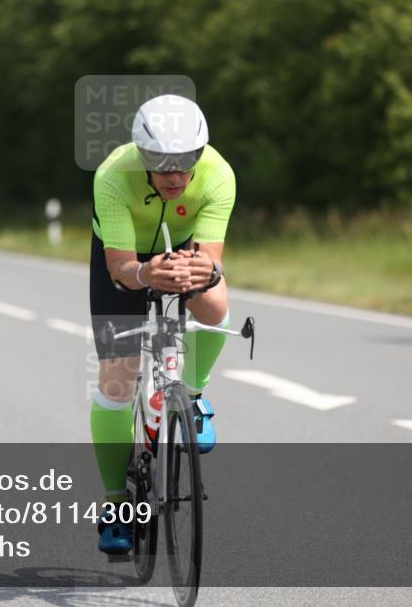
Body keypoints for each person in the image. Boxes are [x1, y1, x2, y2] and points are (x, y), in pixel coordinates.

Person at [89, 94, 235, 554]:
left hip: (183, 246)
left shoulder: (219, 174)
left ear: (201, 154)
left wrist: (203, 275)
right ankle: (116, 507)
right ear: (141, 155)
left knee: (213, 304)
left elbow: (212, 262)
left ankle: (191, 395)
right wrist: (146, 275)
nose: (174, 174)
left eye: (185, 161)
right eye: (159, 161)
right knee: (117, 381)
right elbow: (120, 268)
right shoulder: (113, 175)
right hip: (123, 256)